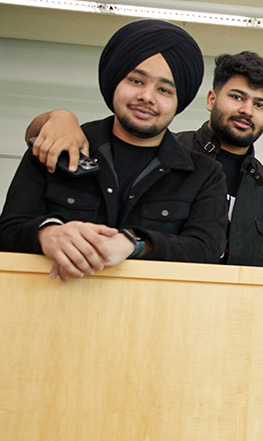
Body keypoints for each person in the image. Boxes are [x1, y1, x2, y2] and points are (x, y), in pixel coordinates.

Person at [0, 19, 225, 277]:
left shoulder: (204, 174)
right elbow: (8, 230)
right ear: (115, 80)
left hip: (150, 312)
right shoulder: (58, 147)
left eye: (164, 90)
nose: (147, 97)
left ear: (179, 101)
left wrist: (135, 243)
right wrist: (47, 233)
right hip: (50, 306)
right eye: (136, 81)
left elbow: (205, 249)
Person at [26, 51, 263, 267]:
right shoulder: (164, 155)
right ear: (211, 99)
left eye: (260, 105)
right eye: (236, 97)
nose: (246, 111)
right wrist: (57, 117)